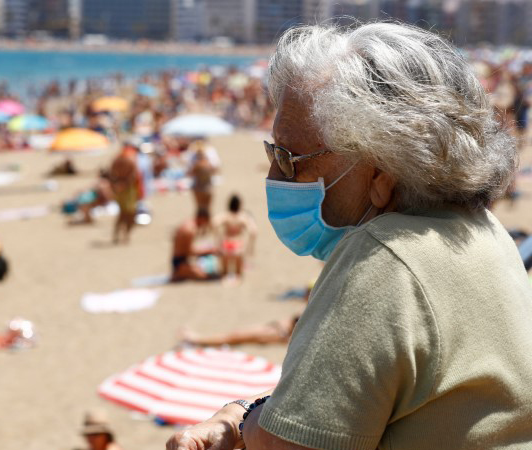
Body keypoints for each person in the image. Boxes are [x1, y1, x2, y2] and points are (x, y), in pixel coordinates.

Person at [167, 23, 532, 450]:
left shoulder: (383, 258)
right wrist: (249, 419)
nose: (273, 176)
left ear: (380, 170)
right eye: (272, 153)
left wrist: (240, 421)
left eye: (288, 158)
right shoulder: (485, 232)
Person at [213, 194, 257, 279]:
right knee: (238, 274)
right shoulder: (242, 217)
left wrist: (218, 240)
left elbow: (214, 223)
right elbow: (253, 231)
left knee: (224, 273)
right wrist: (250, 247)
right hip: (238, 245)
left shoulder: (225, 215)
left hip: (226, 244)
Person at [171, 209, 217, 281]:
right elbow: (189, 252)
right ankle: (178, 273)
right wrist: (208, 251)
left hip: (181, 259)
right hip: (180, 263)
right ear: (202, 218)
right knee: (205, 276)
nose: (204, 225)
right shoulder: (190, 230)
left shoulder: (188, 223)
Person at [109, 143, 141, 244]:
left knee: (123, 213)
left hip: (121, 187)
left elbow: (111, 175)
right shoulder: (130, 159)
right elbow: (133, 176)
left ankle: (119, 235)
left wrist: (117, 185)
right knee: (129, 213)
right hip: (128, 189)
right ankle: (125, 235)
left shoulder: (117, 160)